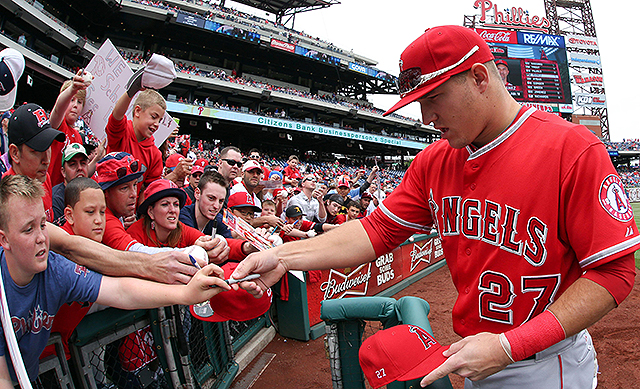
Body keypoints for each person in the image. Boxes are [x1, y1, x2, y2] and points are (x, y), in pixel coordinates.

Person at [231, 25, 638, 389]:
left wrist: (511, 346)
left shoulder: (571, 149)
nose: (426, 117)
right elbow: (376, 231)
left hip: (546, 364)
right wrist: (282, 256)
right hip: (478, 356)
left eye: (434, 97)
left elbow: (615, 272)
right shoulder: (435, 160)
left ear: (479, 77)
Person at [0, 174, 231, 385]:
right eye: (28, 230)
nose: (42, 238)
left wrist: (185, 294)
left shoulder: (55, 268)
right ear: (4, 239)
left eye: (43, 225)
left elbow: (120, 289)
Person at [3, 103, 65, 223]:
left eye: (49, 147)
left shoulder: (42, 176)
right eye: (37, 150)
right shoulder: (8, 197)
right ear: (15, 153)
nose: (46, 160)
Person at [47, 72, 91, 187]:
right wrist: (72, 89)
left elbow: (80, 172)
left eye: (79, 102)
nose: (75, 105)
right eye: (72, 100)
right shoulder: (58, 124)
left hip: (66, 193)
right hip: (50, 188)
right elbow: (58, 109)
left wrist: (97, 158)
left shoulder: (78, 137)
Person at [51, 143, 89, 224]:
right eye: (73, 164)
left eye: (83, 163)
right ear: (63, 172)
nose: (79, 168)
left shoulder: (92, 192)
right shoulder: (56, 199)